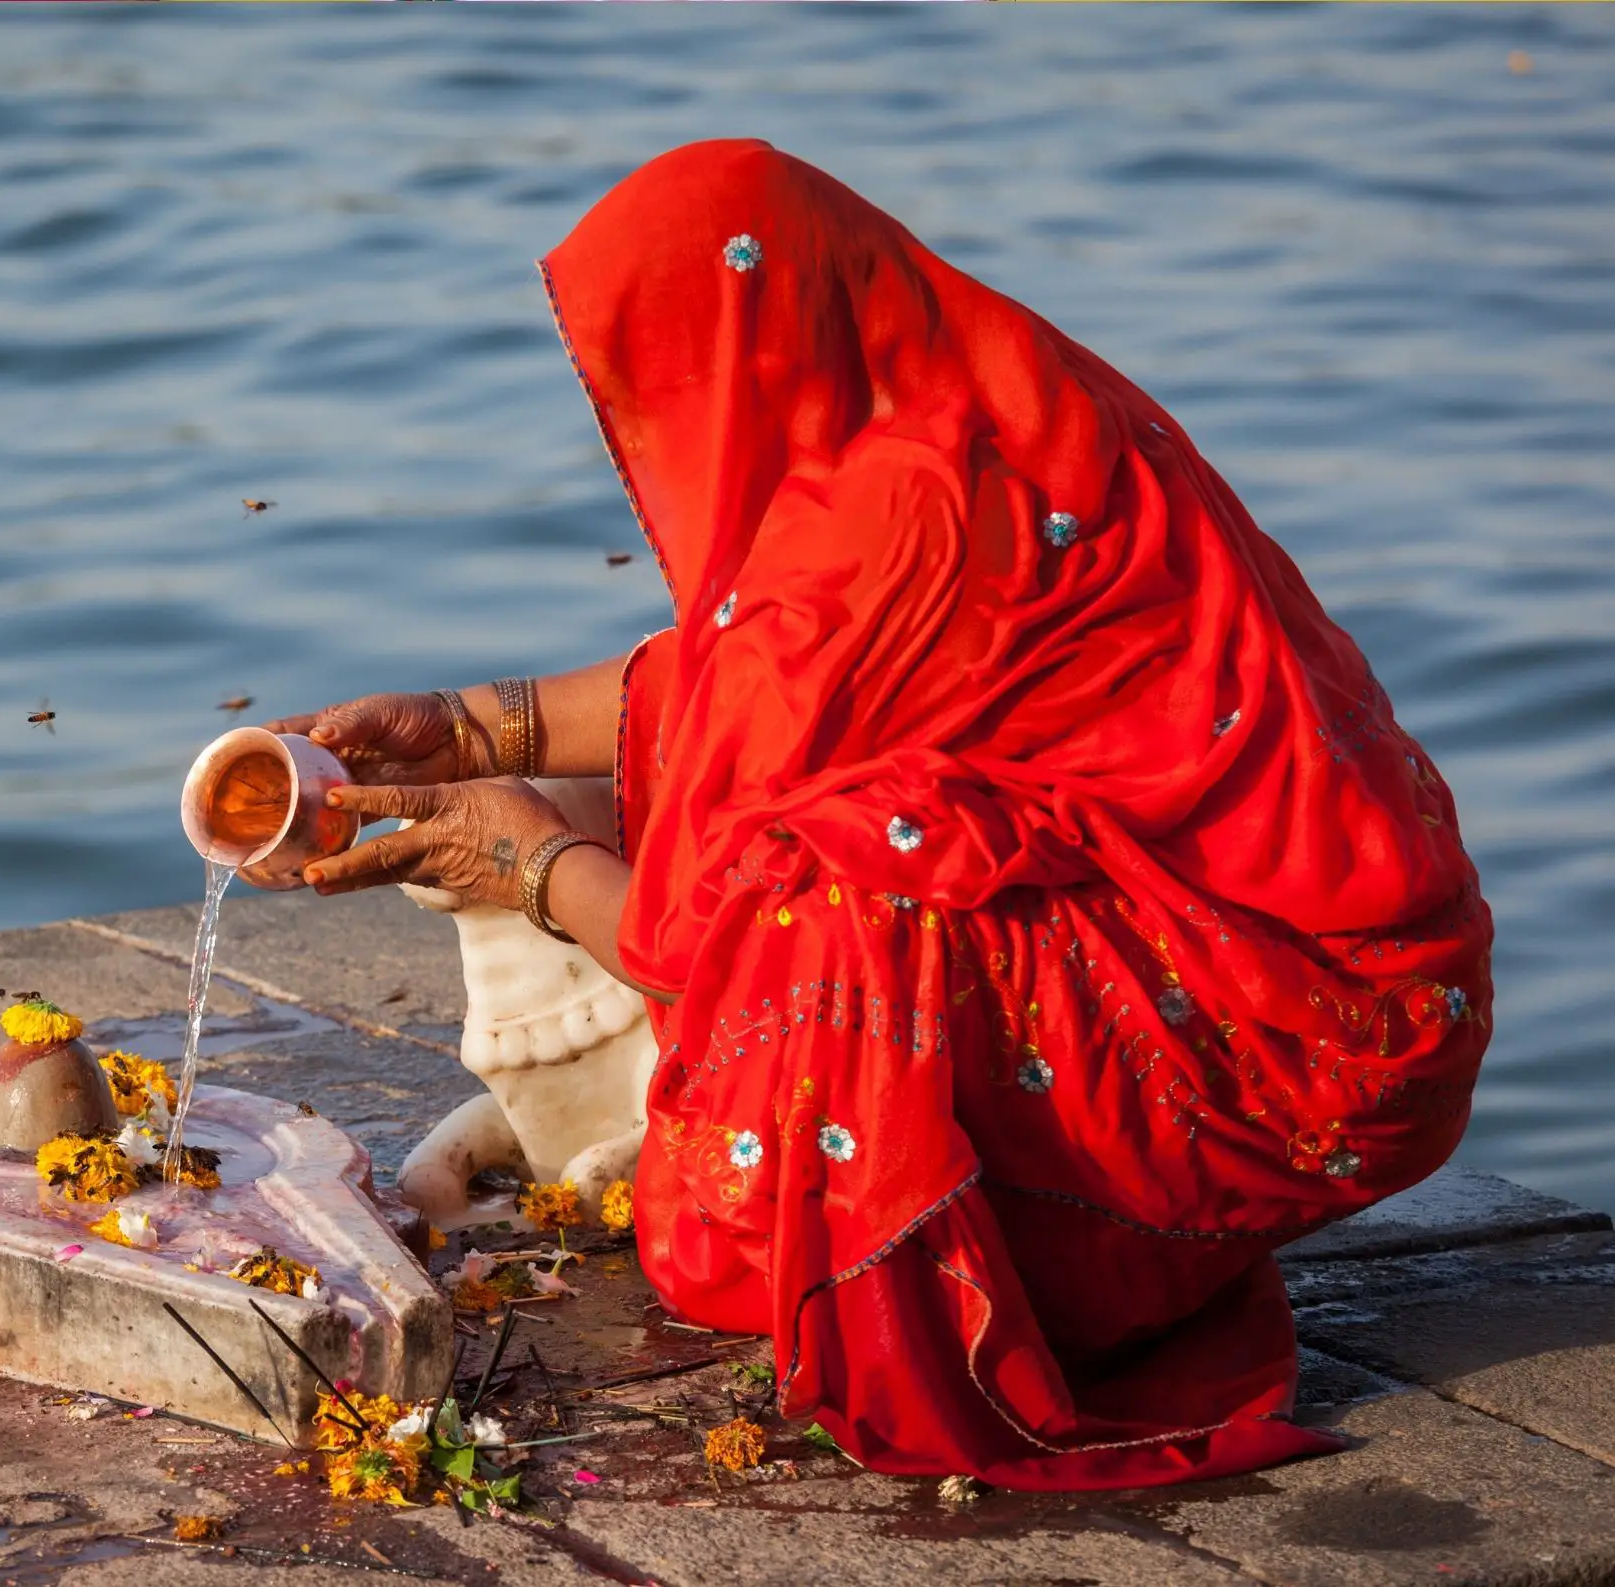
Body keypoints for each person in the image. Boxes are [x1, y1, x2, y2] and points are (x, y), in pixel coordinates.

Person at [271, 139, 1490, 1490]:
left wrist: (531, 857)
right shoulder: (973, 406)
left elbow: (709, 934)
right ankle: (1081, 1234)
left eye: (666, 375)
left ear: (751, 336)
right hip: (1330, 974)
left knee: (826, 900)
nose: (663, 422)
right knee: (856, 829)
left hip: (1299, 1037)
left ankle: (1065, 1261)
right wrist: (471, 720)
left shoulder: (903, 509)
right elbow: (753, 666)